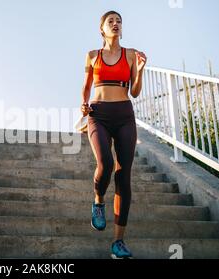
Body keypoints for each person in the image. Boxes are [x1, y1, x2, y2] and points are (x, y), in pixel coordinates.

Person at [80, 10, 147, 259]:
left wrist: (139, 70)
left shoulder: (130, 54)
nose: (116, 24)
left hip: (124, 115)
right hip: (98, 114)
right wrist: (83, 104)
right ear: (102, 29)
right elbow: (86, 87)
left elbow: (136, 91)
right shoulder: (91, 56)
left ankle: (118, 242)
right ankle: (98, 201)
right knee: (105, 163)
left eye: (119, 21)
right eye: (111, 21)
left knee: (124, 175)